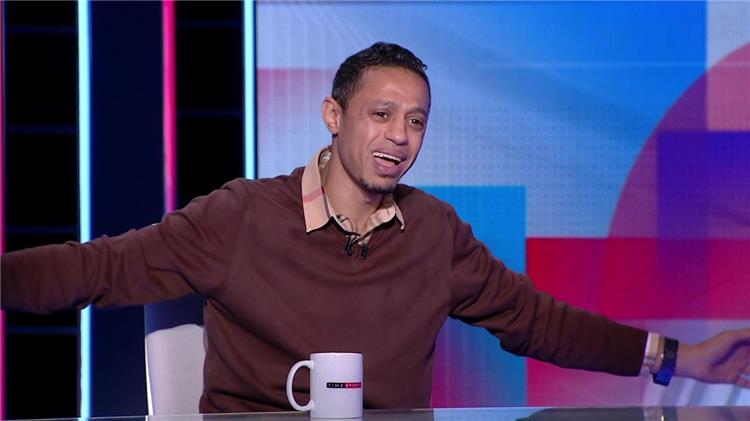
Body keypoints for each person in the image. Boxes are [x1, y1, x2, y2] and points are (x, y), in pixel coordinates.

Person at [2, 42, 749, 413]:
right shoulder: (240, 217)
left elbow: (538, 322)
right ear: (334, 116)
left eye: (416, 121)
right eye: (381, 114)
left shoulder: (436, 233)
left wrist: (680, 357)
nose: (399, 136)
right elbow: (98, 268)